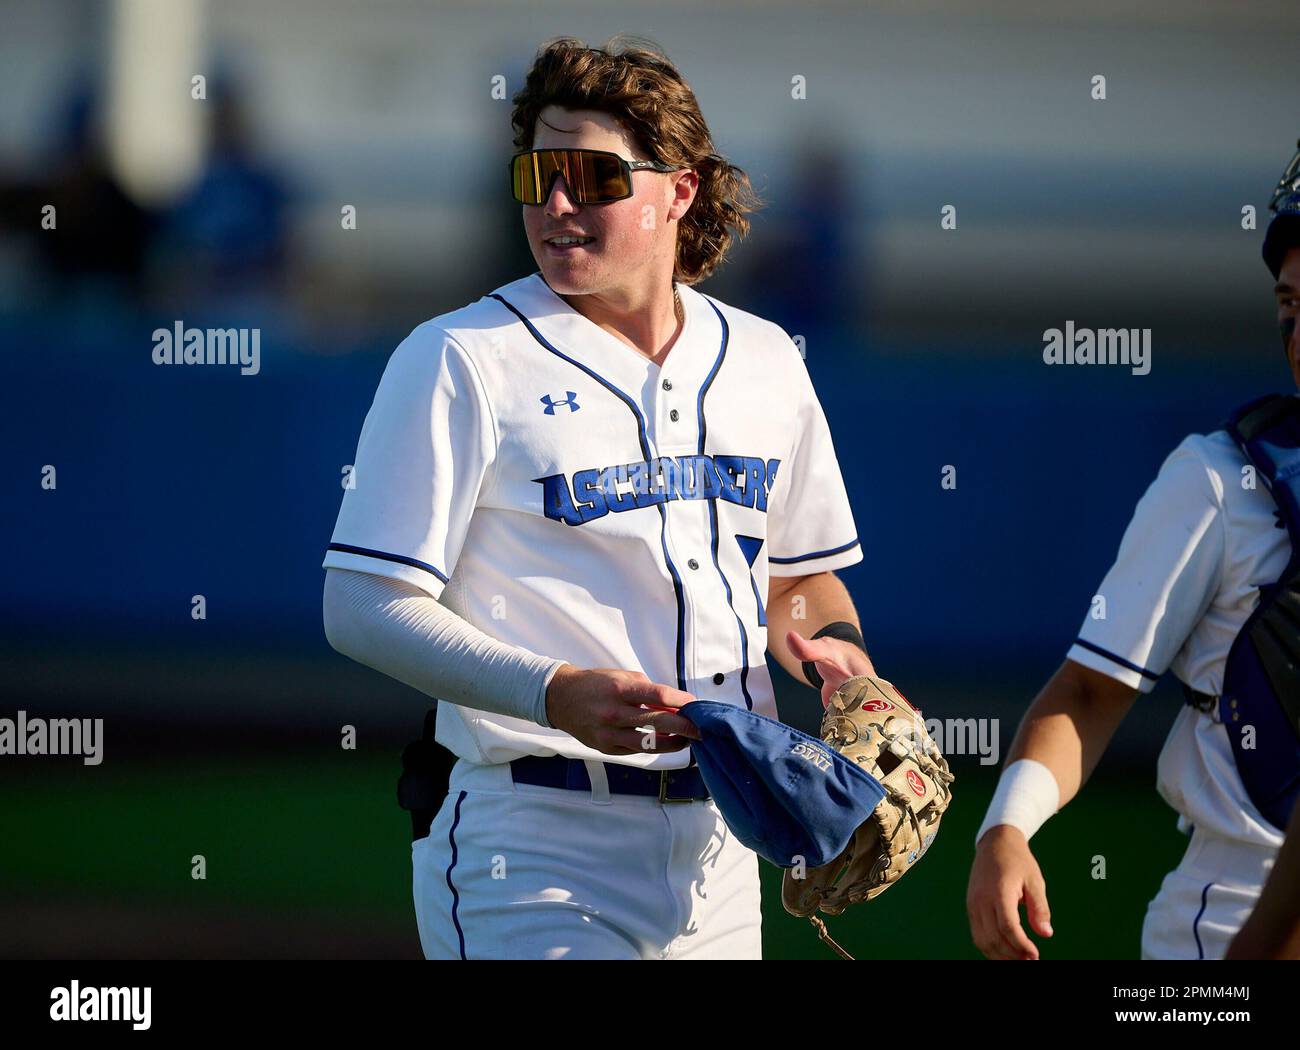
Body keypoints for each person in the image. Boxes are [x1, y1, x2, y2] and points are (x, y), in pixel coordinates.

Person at [321, 36, 874, 960]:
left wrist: (849, 666)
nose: (557, 203)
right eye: (538, 172)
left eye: (593, 177)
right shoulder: (462, 357)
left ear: (680, 191)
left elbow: (801, 582)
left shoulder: (768, 360)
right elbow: (361, 605)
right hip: (533, 841)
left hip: (727, 849)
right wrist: (549, 690)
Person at [966, 140, 1300, 961]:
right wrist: (1003, 830)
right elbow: (1089, 693)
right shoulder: (1221, 480)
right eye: (1290, 305)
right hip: (1233, 916)